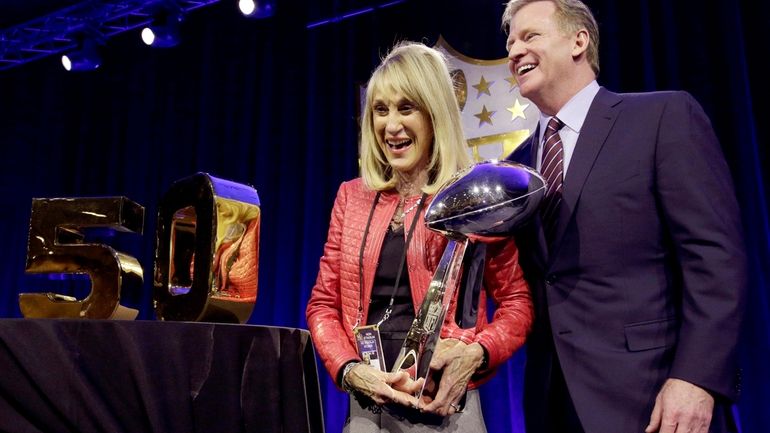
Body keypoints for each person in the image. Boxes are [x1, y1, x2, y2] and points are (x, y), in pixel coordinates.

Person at [501, 1, 747, 432]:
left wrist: (697, 377)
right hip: (551, 402)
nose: (514, 50)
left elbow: (715, 258)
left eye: (529, 36)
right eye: (510, 41)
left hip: (653, 398)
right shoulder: (515, 169)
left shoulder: (660, 118)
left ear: (579, 41)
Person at [306, 41, 533, 432]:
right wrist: (350, 371)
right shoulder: (351, 197)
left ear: (435, 114)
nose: (390, 126)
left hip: (445, 408)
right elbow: (323, 304)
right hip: (367, 408)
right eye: (380, 110)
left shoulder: (473, 198)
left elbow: (517, 302)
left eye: (406, 108)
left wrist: (476, 353)